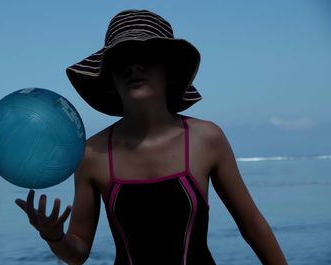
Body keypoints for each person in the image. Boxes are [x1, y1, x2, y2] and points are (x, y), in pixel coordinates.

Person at [15, 9, 288, 265]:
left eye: (146, 56)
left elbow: (253, 227)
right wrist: (54, 237)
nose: (134, 66)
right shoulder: (91, 154)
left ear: (169, 72)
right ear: (109, 77)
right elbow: (78, 253)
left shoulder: (206, 139)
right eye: (122, 59)